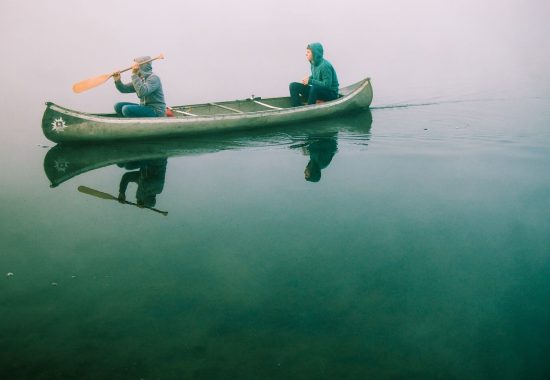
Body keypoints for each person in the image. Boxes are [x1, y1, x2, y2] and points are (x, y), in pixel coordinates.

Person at [289, 43, 339, 107]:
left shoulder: (325, 66)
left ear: (315, 53)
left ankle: (308, 108)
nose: (306, 54)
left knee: (314, 87)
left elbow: (327, 85)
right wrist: (308, 79)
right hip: (319, 91)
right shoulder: (313, 63)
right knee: (293, 86)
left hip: (331, 94)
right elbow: (316, 76)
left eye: (308, 52)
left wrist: (310, 81)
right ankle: (296, 107)